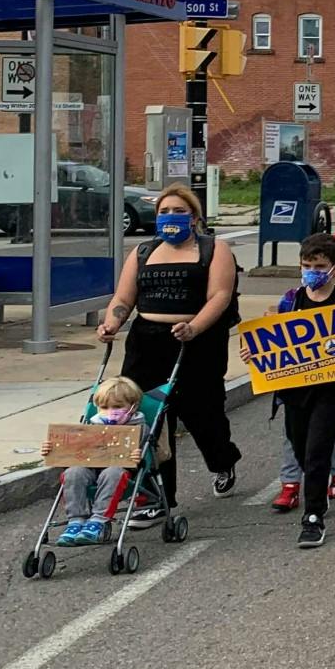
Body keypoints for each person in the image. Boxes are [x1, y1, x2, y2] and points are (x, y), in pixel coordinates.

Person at [97, 184, 242, 508]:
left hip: (197, 343)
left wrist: (195, 327)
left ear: (193, 217)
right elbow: (123, 298)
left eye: (179, 211)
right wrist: (111, 323)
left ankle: (222, 460)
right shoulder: (143, 252)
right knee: (147, 417)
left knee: (203, 415)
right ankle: (158, 498)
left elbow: (220, 295)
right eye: (164, 211)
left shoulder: (214, 249)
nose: (170, 217)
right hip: (147, 343)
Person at [267, 233, 335, 548]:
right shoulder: (291, 300)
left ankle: (313, 516)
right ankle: (319, 480)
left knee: (318, 449)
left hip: (332, 388)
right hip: (294, 389)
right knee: (300, 444)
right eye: (307, 265)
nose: (312, 272)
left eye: (319, 266)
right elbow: (272, 342)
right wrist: (256, 353)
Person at [46, 375, 146, 546]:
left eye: (117, 407)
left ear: (133, 407)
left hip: (121, 472)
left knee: (113, 472)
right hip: (91, 468)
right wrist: (54, 450)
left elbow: (148, 456)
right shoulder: (92, 426)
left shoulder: (139, 427)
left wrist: (139, 456)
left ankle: (98, 520)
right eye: (104, 407)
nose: (110, 411)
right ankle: (76, 520)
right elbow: (74, 452)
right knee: (73, 472)